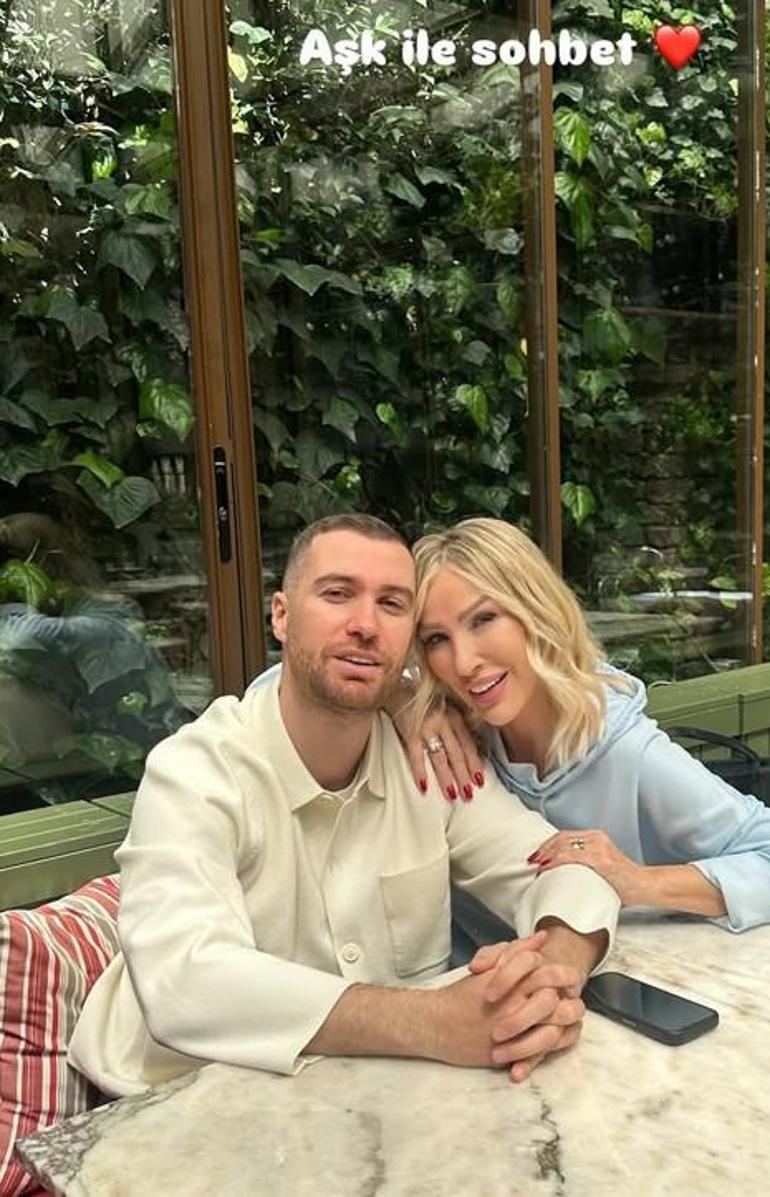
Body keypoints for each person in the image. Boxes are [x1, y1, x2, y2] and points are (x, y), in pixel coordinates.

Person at [68, 514, 620, 1095]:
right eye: (337, 594)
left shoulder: (432, 760)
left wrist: (553, 972)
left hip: (369, 1096)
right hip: (169, 1098)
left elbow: (565, 864)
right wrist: (434, 1022)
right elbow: (185, 982)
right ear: (281, 615)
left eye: (392, 604)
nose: (365, 625)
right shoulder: (198, 771)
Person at [403, 516, 770, 933]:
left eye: (483, 619)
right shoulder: (456, 736)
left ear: (535, 609)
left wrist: (638, 882)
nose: (464, 662)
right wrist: (405, 703)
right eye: (436, 639)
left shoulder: (629, 754)